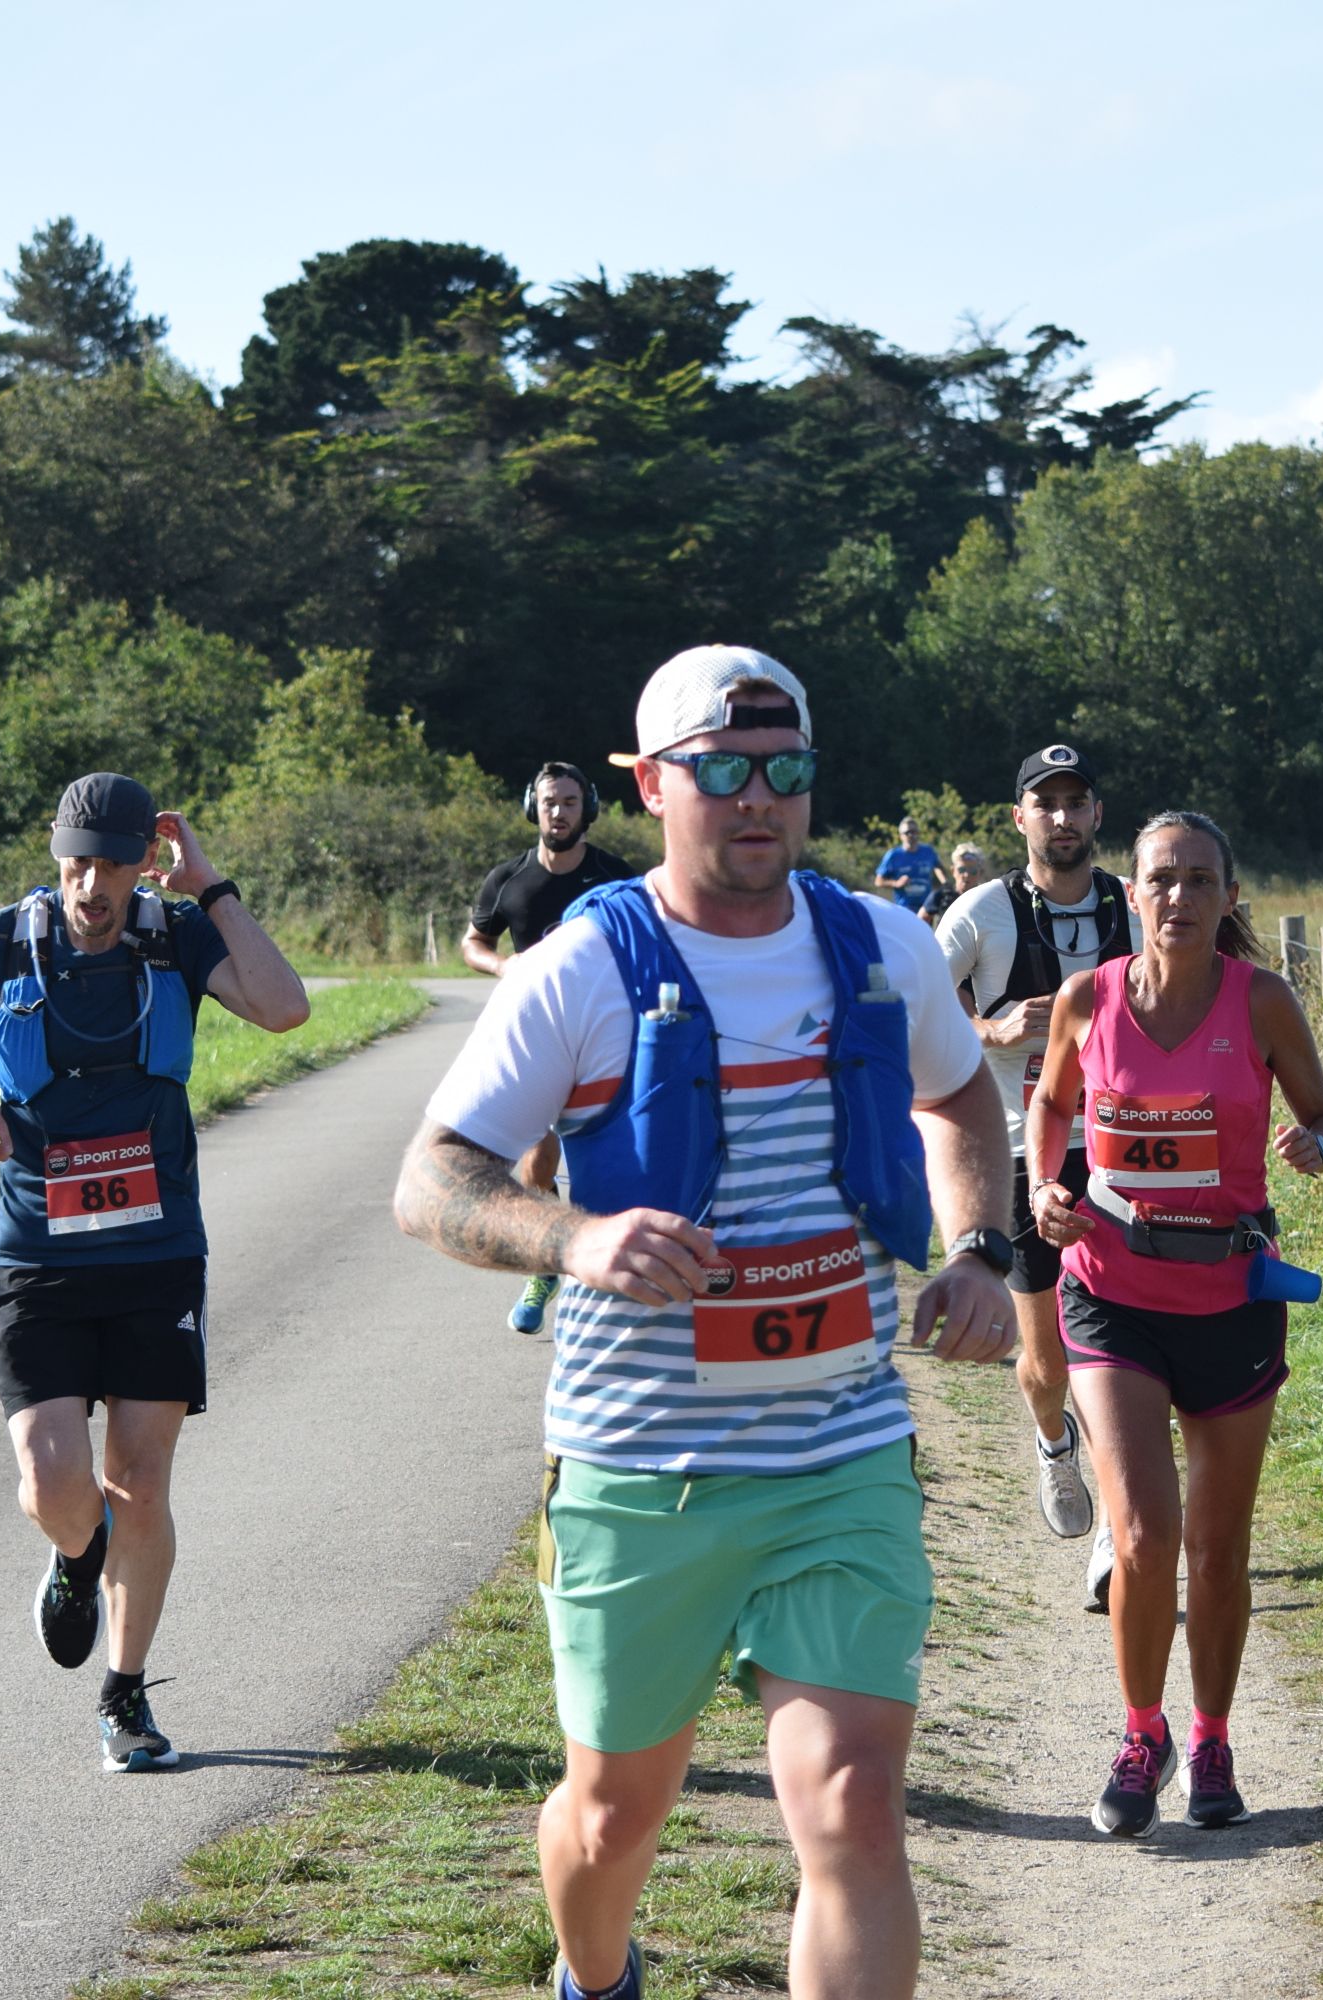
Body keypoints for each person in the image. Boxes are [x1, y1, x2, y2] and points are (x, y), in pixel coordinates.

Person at [395, 645, 1017, 2000]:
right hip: (641, 1472)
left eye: (786, 769)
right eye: (723, 769)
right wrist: (575, 1238)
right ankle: (594, 1976)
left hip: (839, 1456)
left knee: (854, 1805)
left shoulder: (882, 946)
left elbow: (964, 1095)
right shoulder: (579, 969)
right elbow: (431, 1183)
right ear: (650, 784)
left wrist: (979, 1247)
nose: (758, 797)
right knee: (613, 1817)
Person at [0, 772, 311, 1772]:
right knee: (51, 1480)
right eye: (76, 862)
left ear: (146, 859)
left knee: (138, 1480)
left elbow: (284, 1008)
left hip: (155, 1254)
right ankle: (76, 1552)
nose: (90, 884)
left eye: (111, 863)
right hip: (37, 1257)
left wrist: (211, 888)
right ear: (56, 853)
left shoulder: (176, 936)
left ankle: (124, 1693)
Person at [1027, 810, 1323, 1838]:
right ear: (1132, 894)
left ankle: (1210, 1739)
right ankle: (1140, 1734)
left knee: (1215, 1551)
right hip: (1109, 1294)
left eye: (1200, 880)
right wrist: (1043, 1185)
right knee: (1141, 1536)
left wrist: (1318, 1144)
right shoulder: (1088, 998)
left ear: (1228, 897)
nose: (1179, 897)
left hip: (1230, 1300)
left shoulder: (1263, 1002)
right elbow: (1050, 1106)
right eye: (1161, 879)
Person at [934, 745, 1139, 1584]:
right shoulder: (982, 911)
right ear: (1019, 818)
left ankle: (1116, 1531)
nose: (1062, 817)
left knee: (1124, 1354)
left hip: (1125, 1152)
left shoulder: (1132, 904)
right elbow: (916, 1003)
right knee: (1049, 1365)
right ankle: (1054, 1442)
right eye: (1045, 804)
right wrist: (989, 1029)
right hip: (1023, 1154)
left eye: (1075, 802)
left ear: (1096, 815)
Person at [460, 762, 641, 1333]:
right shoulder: (508, 879)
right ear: (531, 808)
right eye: (548, 803)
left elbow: (649, 939)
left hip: (605, 1032)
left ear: (588, 809)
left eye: (568, 802)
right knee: (538, 1155)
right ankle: (543, 1267)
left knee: (611, 1153)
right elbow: (473, 943)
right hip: (536, 1028)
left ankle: (615, 1264)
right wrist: (503, 966)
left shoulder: (616, 877)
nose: (557, 812)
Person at [872, 816, 939, 915]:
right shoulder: (893, 855)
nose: (911, 835)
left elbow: (938, 867)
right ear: (901, 836)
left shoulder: (928, 851)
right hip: (904, 909)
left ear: (918, 833)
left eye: (914, 832)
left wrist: (945, 884)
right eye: (907, 832)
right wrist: (896, 883)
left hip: (926, 909)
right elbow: (878, 881)